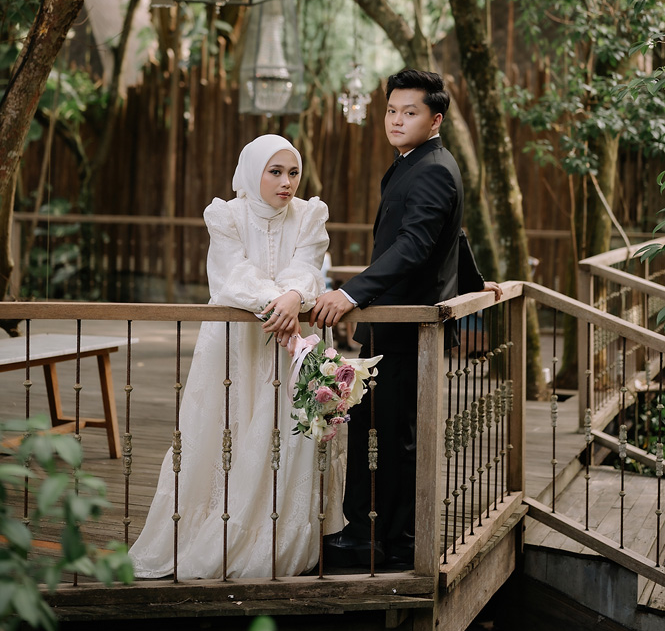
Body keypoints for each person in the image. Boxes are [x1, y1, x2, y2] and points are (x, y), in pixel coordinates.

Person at [310, 68, 501, 570]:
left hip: (407, 326)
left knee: (390, 438)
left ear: (435, 119)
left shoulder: (433, 168)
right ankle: (375, 534)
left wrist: (349, 292)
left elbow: (416, 245)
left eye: (409, 112)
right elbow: (452, 235)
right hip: (394, 325)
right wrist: (477, 282)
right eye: (392, 110)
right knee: (377, 431)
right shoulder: (414, 162)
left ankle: (384, 542)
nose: (395, 120)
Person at [130, 134, 344, 580]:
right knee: (227, 425)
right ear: (252, 172)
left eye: (293, 173)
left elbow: (308, 267)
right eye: (275, 172)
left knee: (287, 431)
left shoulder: (309, 216)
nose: (286, 183)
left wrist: (293, 296)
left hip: (293, 346)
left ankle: (276, 534)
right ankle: (216, 528)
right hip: (236, 345)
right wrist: (280, 305)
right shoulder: (226, 215)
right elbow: (232, 273)